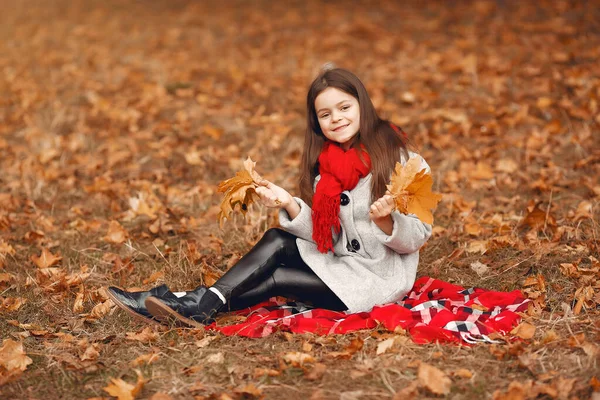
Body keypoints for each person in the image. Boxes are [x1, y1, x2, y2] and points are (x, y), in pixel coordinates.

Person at [107, 67, 433, 329]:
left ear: (363, 105)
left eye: (345, 107)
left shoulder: (401, 160)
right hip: (342, 266)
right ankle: (193, 305)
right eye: (325, 114)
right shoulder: (327, 172)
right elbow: (331, 238)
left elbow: (417, 237)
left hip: (378, 282)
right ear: (317, 123)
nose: (337, 118)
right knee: (277, 239)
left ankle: (189, 303)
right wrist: (289, 203)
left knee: (275, 278)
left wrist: (385, 220)